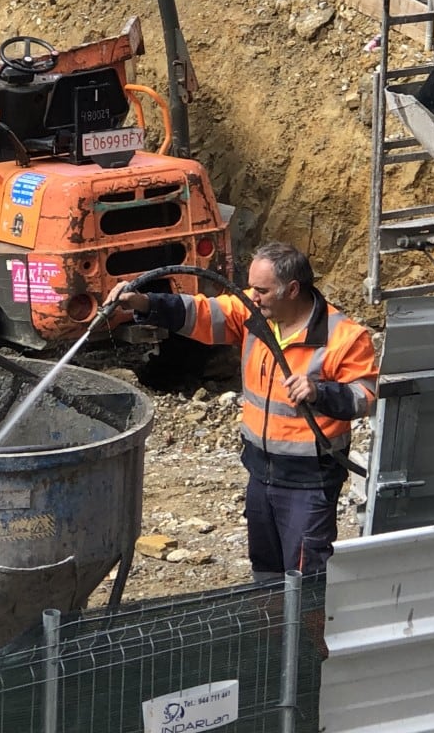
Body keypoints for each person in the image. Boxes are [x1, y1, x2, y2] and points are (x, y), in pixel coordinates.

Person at [105, 242, 377, 580]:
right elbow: (201, 313)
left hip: (309, 479)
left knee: (307, 576)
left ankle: (305, 634)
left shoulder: (343, 336)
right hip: (260, 471)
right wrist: (145, 303)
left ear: (292, 289)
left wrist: (320, 392)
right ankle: (269, 629)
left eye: (261, 290)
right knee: (266, 570)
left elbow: (365, 396)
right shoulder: (253, 315)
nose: (252, 296)